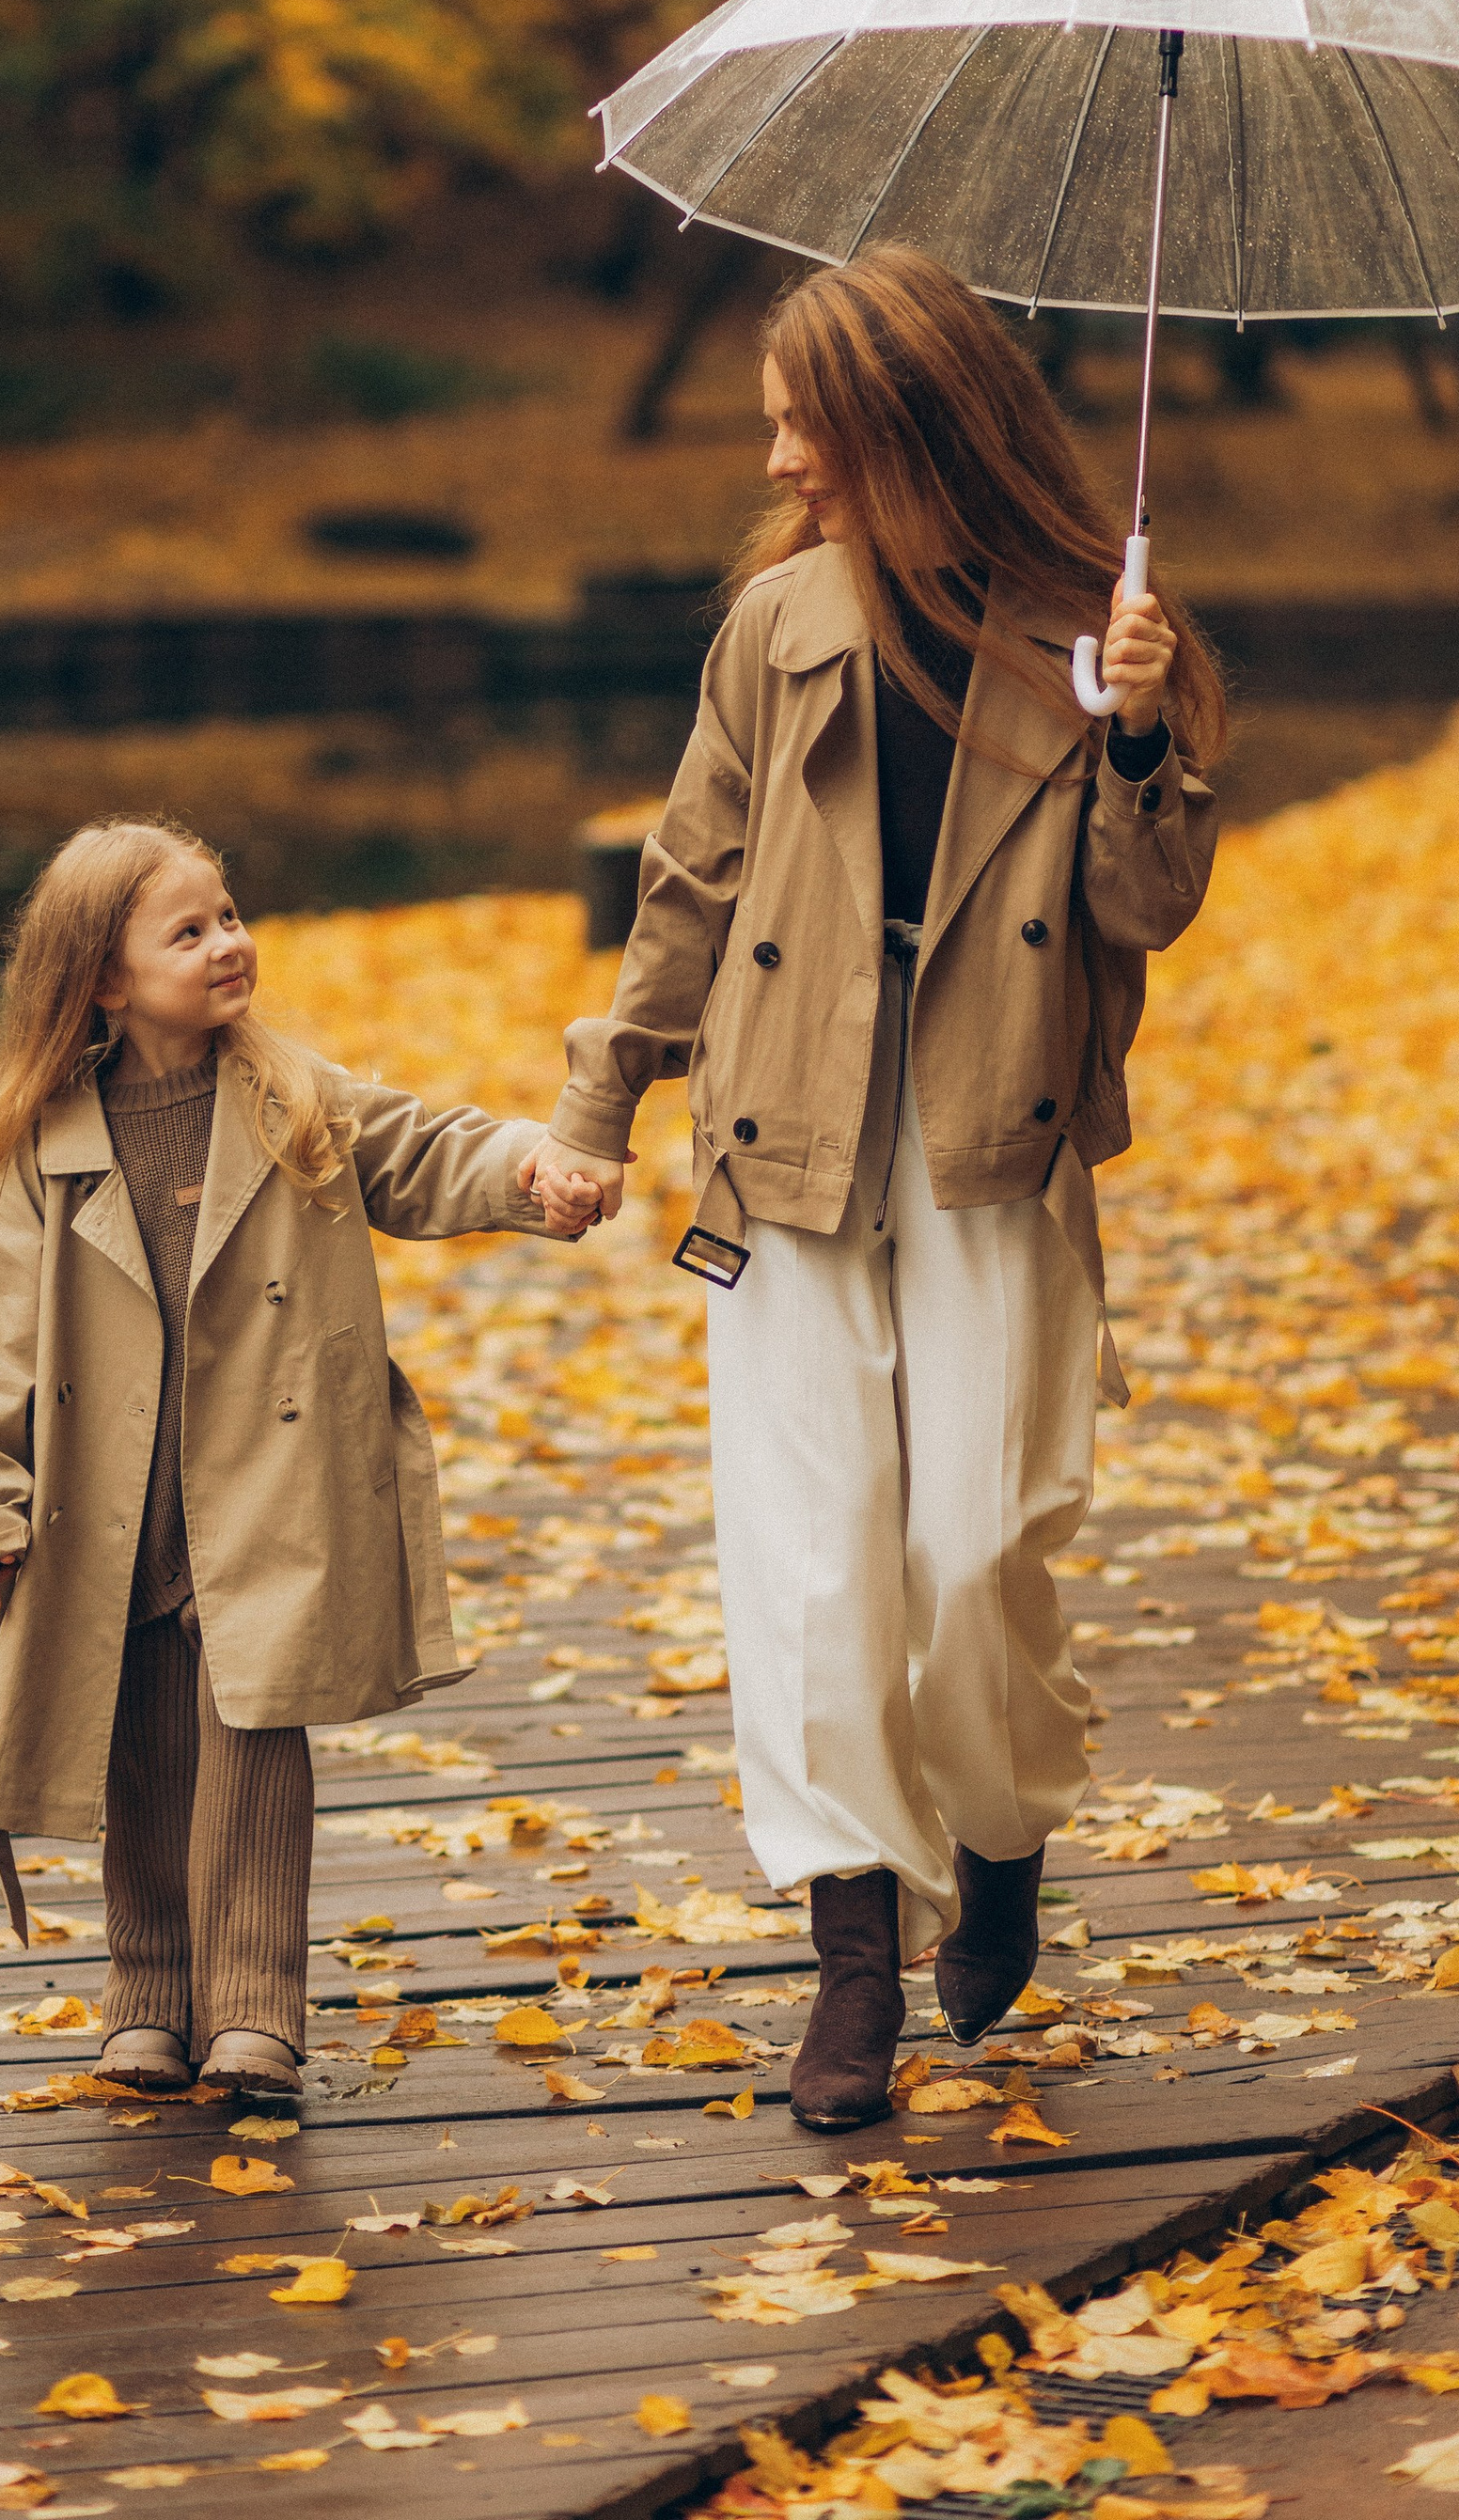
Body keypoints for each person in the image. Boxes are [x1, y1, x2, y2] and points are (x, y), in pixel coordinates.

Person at [522, 250, 1223, 2131]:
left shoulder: (1096, 630)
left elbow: (1140, 908)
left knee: (975, 1542)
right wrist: (602, 1102)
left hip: (995, 1120)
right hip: (780, 1129)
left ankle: (992, 1837)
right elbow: (687, 876)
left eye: (798, 420)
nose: (774, 452)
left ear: (898, 424)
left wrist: (1141, 733)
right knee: (812, 1547)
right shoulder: (772, 624)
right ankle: (849, 1947)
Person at [0, 817, 592, 2109]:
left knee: (251, 1749)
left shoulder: (296, 1102)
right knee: (141, 1748)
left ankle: (253, 2015)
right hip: (109, 1502)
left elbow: (425, 1148)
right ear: (105, 981)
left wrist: (530, 1162)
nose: (231, 942)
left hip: (268, 1493)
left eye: (231, 914)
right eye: (190, 930)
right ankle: (146, 1994)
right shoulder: (42, 1150)